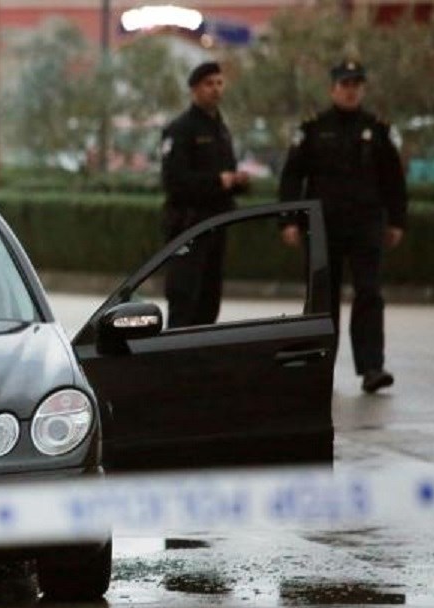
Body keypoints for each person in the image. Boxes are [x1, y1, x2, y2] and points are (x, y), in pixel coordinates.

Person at [278, 59, 407, 394]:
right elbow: (292, 176)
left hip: (365, 224)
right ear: (333, 88)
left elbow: (394, 179)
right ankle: (320, 367)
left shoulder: (377, 129)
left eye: (357, 85)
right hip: (323, 226)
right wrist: (289, 220)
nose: (351, 91)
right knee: (324, 298)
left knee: (369, 293)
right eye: (345, 84)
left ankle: (372, 367)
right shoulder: (312, 129)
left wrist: (396, 220)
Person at [159, 61, 250, 328]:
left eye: (219, 83)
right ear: (194, 89)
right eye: (209, 84)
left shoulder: (220, 129)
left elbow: (226, 174)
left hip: (216, 224)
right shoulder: (181, 129)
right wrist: (217, 181)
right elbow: (174, 181)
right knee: (184, 298)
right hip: (188, 226)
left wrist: (237, 181)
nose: (216, 89)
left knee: (209, 302)